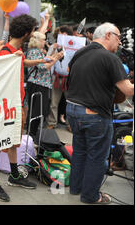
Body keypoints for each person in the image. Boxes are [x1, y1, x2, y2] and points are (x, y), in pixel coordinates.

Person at [0, 14, 54, 202]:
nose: (34, 34)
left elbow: (23, 62)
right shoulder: (5, 52)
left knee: (13, 142)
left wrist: (41, 61)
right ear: (26, 33)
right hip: (4, 106)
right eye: (32, 31)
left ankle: (14, 175)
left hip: (17, 104)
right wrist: (9, 60)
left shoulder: (18, 51)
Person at [66, 22, 134, 204]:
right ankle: (90, 196)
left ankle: (76, 188)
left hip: (72, 110)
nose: (120, 42)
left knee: (80, 151)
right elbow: (127, 90)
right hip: (94, 114)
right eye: (118, 37)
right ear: (108, 35)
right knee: (97, 157)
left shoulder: (80, 52)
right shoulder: (110, 58)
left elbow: (68, 71)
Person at [25, 31, 63, 137]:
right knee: (36, 110)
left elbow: (46, 61)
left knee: (39, 110)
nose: (45, 42)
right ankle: (31, 134)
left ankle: (32, 132)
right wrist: (57, 58)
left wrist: (54, 54)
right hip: (38, 83)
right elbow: (43, 67)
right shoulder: (34, 52)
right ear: (38, 41)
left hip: (41, 83)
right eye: (43, 40)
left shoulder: (37, 51)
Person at [48, 25, 73, 129]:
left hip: (69, 78)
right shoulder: (54, 46)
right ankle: (52, 122)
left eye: (66, 34)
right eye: (61, 33)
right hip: (56, 77)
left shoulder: (73, 47)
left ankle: (70, 124)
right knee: (54, 102)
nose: (63, 36)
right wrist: (53, 49)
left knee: (70, 103)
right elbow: (48, 58)